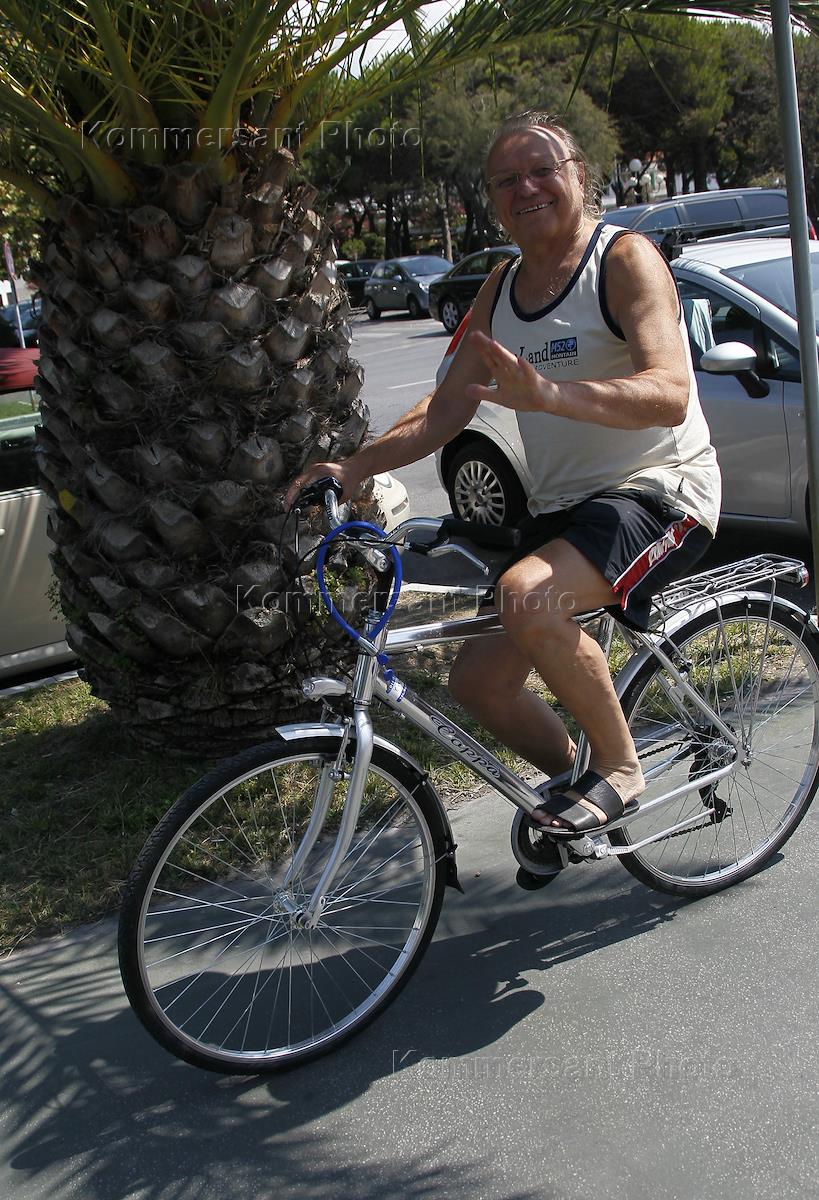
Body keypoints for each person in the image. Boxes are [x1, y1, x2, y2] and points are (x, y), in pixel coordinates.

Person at [287, 110, 721, 837]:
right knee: (479, 683)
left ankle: (620, 768)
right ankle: (577, 788)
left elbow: (669, 393)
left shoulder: (622, 260)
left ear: (579, 176)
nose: (526, 188)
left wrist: (550, 394)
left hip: (660, 489)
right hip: (564, 509)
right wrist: (354, 466)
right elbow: (447, 406)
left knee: (527, 597)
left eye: (542, 170)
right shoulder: (501, 286)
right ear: (492, 199)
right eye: (506, 179)